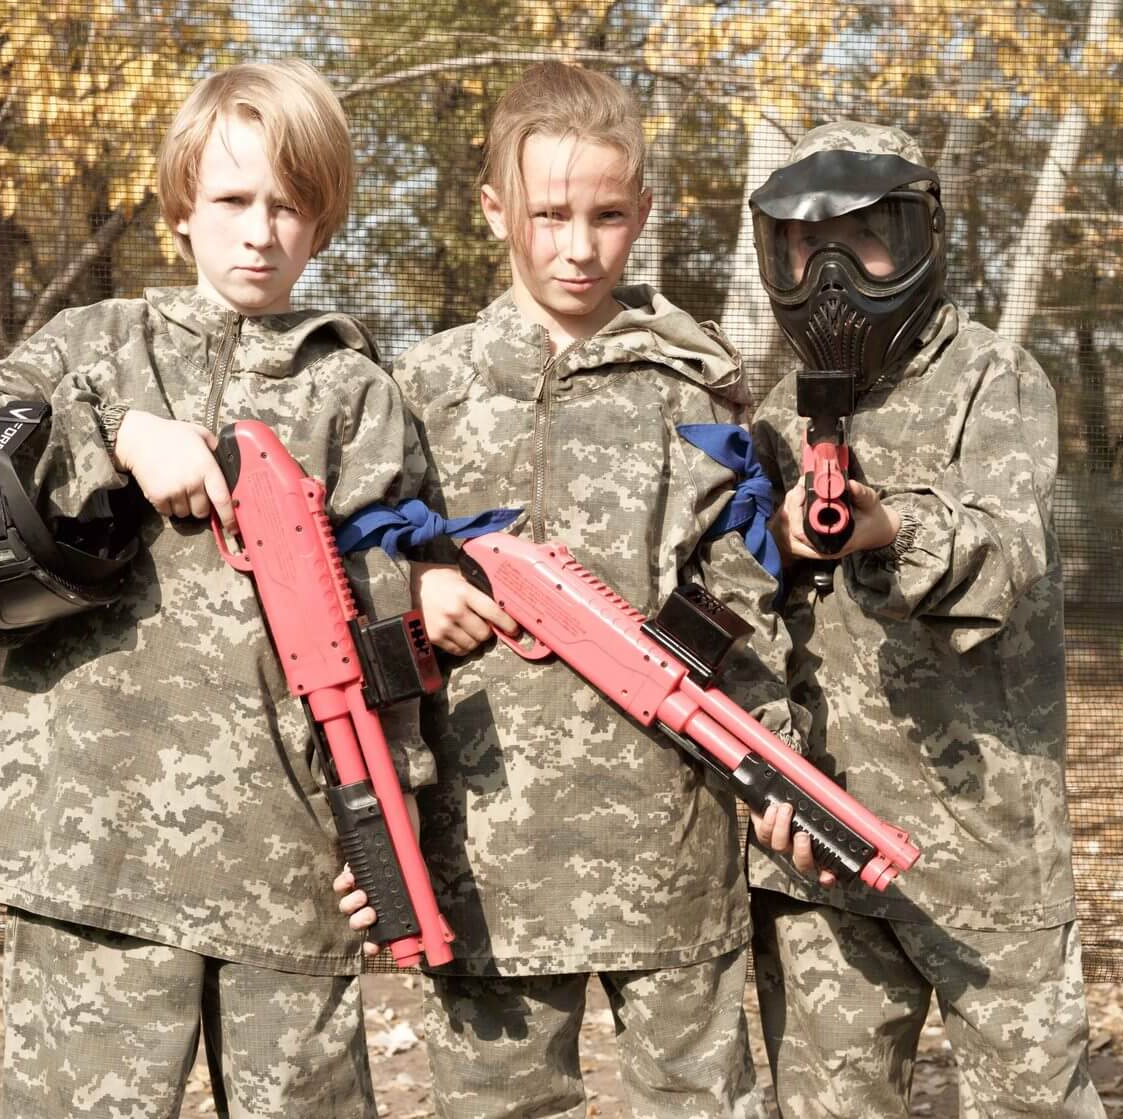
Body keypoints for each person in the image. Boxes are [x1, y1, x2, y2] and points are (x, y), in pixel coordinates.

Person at [0, 61, 427, 1118]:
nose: (259, 232)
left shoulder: (356, 394)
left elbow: (392, 625)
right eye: (233, 199)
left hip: (289, 859)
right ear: (181, 209)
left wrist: (390, 808)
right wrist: (114, 432)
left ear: (323, 222)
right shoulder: (96, 345)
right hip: (89, 844)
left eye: (289, 205)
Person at [337, 61, 798, 1118]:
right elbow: (347, 562)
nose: (578, 247)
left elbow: (749, 593)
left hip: (670, 837)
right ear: (495, 208)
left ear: (644, 212)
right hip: (482, 844)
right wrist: (420, 582)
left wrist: (776, 762)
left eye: (606, 216)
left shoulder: (699, 387)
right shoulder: (421, 388)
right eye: (550, 215)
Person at [745, 121, 1105, 1118]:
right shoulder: (773, 414)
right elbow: (744, 625)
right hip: (823, 841)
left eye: (865, 236)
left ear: (919, 235)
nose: (830, 273)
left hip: (986, 842)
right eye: (806, 244)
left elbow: (1009, 552)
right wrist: (763, 777)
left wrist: (889, 526)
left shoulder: (993, 378)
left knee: (1035, 1103)